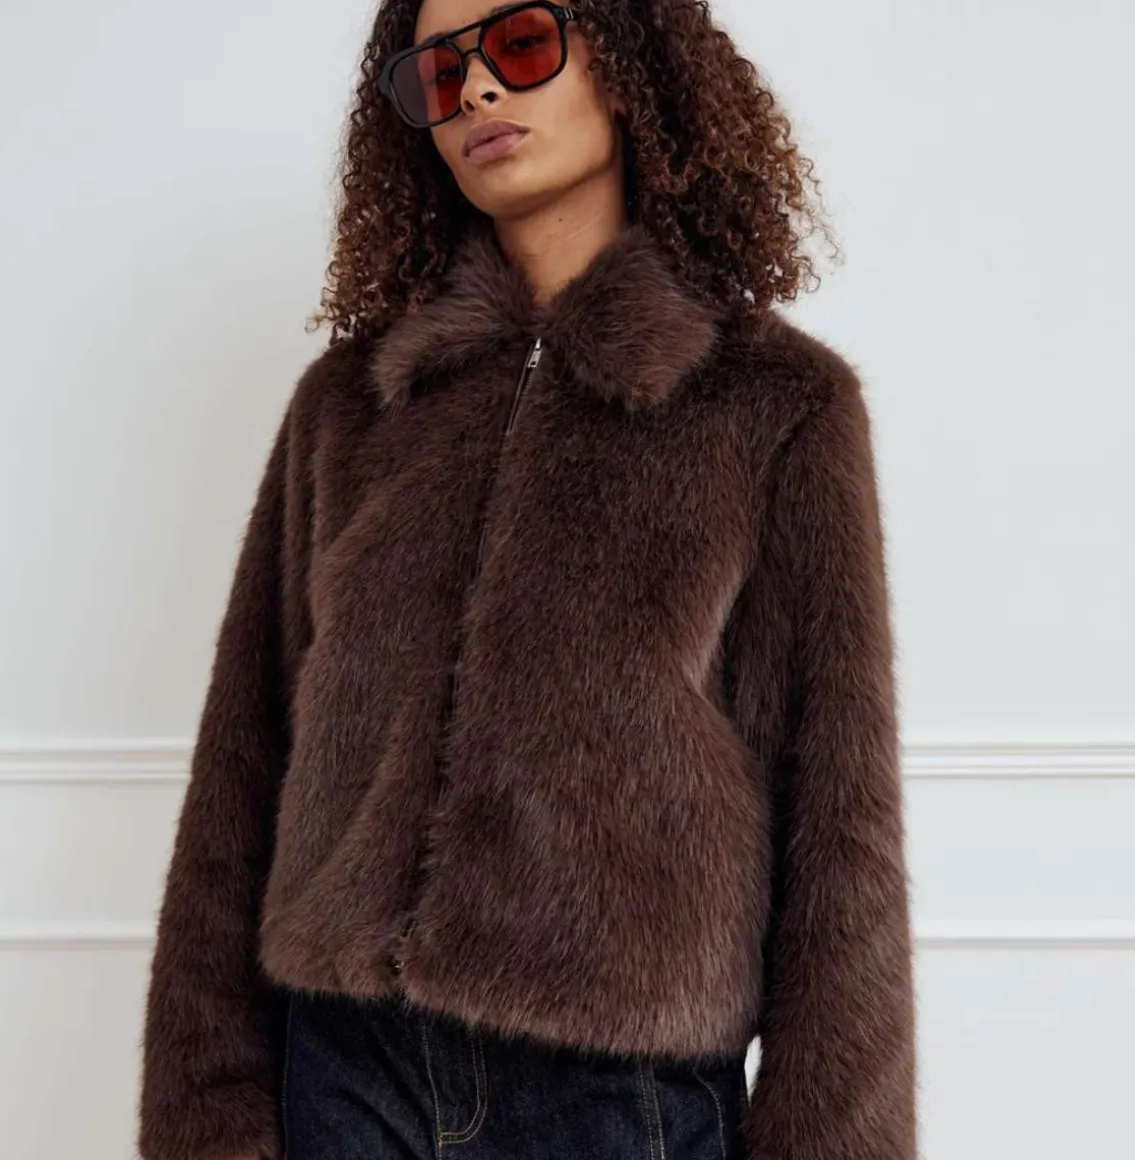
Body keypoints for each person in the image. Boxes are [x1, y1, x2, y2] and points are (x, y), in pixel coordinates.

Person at [136, 1, 918, 1158]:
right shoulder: (350, 405)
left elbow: (840, 815)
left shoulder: (774, 404)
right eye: (437, 75)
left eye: (518, 45)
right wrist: (205, 1114)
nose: (477, 93)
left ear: (625, 61)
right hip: (343, 1073)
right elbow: (241, 765)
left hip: (613, 1095)